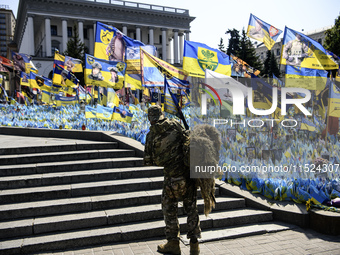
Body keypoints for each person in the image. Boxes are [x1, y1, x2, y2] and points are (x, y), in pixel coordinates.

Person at [144, 105, 201, 255]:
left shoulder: (150, 136)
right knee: (191, 209)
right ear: (162, 114)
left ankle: (173, 243)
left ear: (150, 118)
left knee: (169, 209)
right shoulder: (175, 124)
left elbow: (150, 161)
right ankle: (194, 245)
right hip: (187, 176)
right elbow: (187, 139)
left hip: (171, 179)